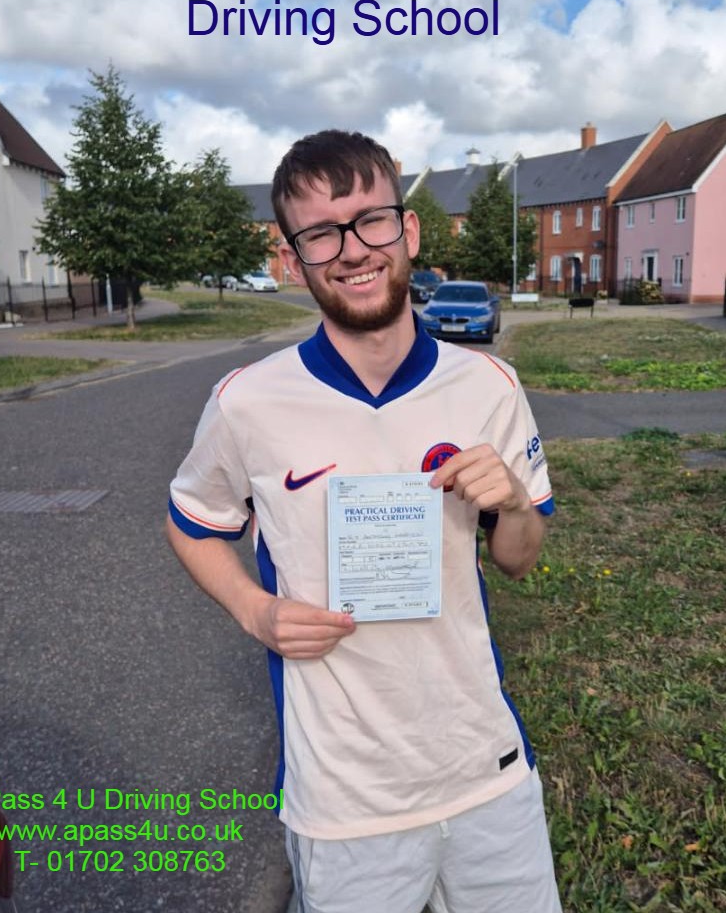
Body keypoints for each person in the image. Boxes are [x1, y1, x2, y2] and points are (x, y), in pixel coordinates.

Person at [167, 129, 562, 913]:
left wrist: (513, 503)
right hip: (341, 796)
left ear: (406, 231)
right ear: (291, 259)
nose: (351, 250)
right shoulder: (246, 400)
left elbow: (518, 557)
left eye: (369, 220)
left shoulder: (488, 384)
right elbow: (194, 521)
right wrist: (256, 610)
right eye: (319, 232)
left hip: (484, 770)